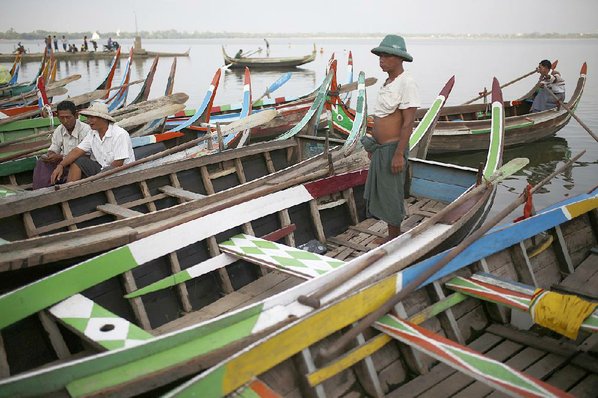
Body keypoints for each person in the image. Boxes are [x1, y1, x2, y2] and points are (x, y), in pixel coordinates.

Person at [361, 34, 420, 244]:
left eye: (386, 56)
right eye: (380, 56)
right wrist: (373, 145)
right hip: (380, 147)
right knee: (383, 192)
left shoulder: (407, 83)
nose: (381, 59)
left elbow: (407, 123)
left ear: (399, 58)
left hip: (393, 149)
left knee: (392, 192)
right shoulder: (388, 82)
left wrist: (398, 154)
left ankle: (394, 237)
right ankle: (391, 233)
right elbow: (382, 116)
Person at [50, 102, 135, 183]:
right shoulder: (92, 134)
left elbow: (118, 163)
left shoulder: (119, 134)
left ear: (103, 118)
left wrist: (99, 178)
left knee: (82, 162)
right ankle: (69, 190)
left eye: (92, 118)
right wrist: (61, 165)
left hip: (121, 174)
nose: (89, 121)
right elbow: (77, 151)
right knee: (79, 160)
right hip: (103, 170)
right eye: (88, 118)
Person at [32, 101, 91, 189]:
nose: (65, 121)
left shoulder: (86, 130)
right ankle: (41, 189)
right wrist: (51, 155)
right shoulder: (59, 130)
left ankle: (65, 187)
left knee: (78, 162)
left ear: (76, 115)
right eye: (62, 118)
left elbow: (86, 155)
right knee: (42, 161)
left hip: (79, 166)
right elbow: (54, 148)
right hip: (63, 165)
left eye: (68, 117)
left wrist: (61, 158)